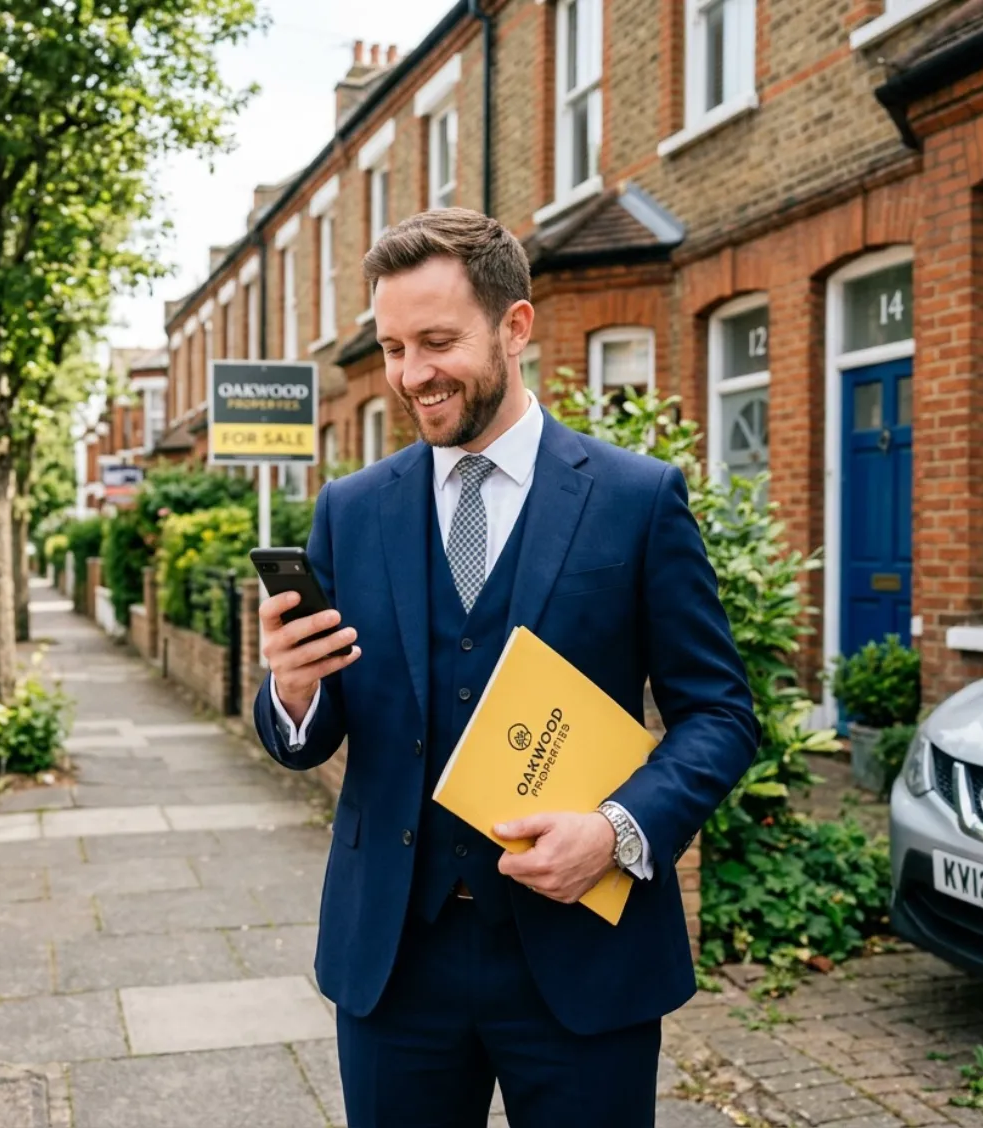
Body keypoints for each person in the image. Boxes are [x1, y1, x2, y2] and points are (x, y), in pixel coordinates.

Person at [252, 207, 760, 1127]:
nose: (412, 374)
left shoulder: (636, 498)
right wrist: (292, 691)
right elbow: (307, 738)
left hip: (583, 960)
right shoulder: (351, 511)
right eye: (394, 347)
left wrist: (616, 832)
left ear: (515, 326)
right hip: (395, 960)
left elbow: (720, 714)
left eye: (438, 342)